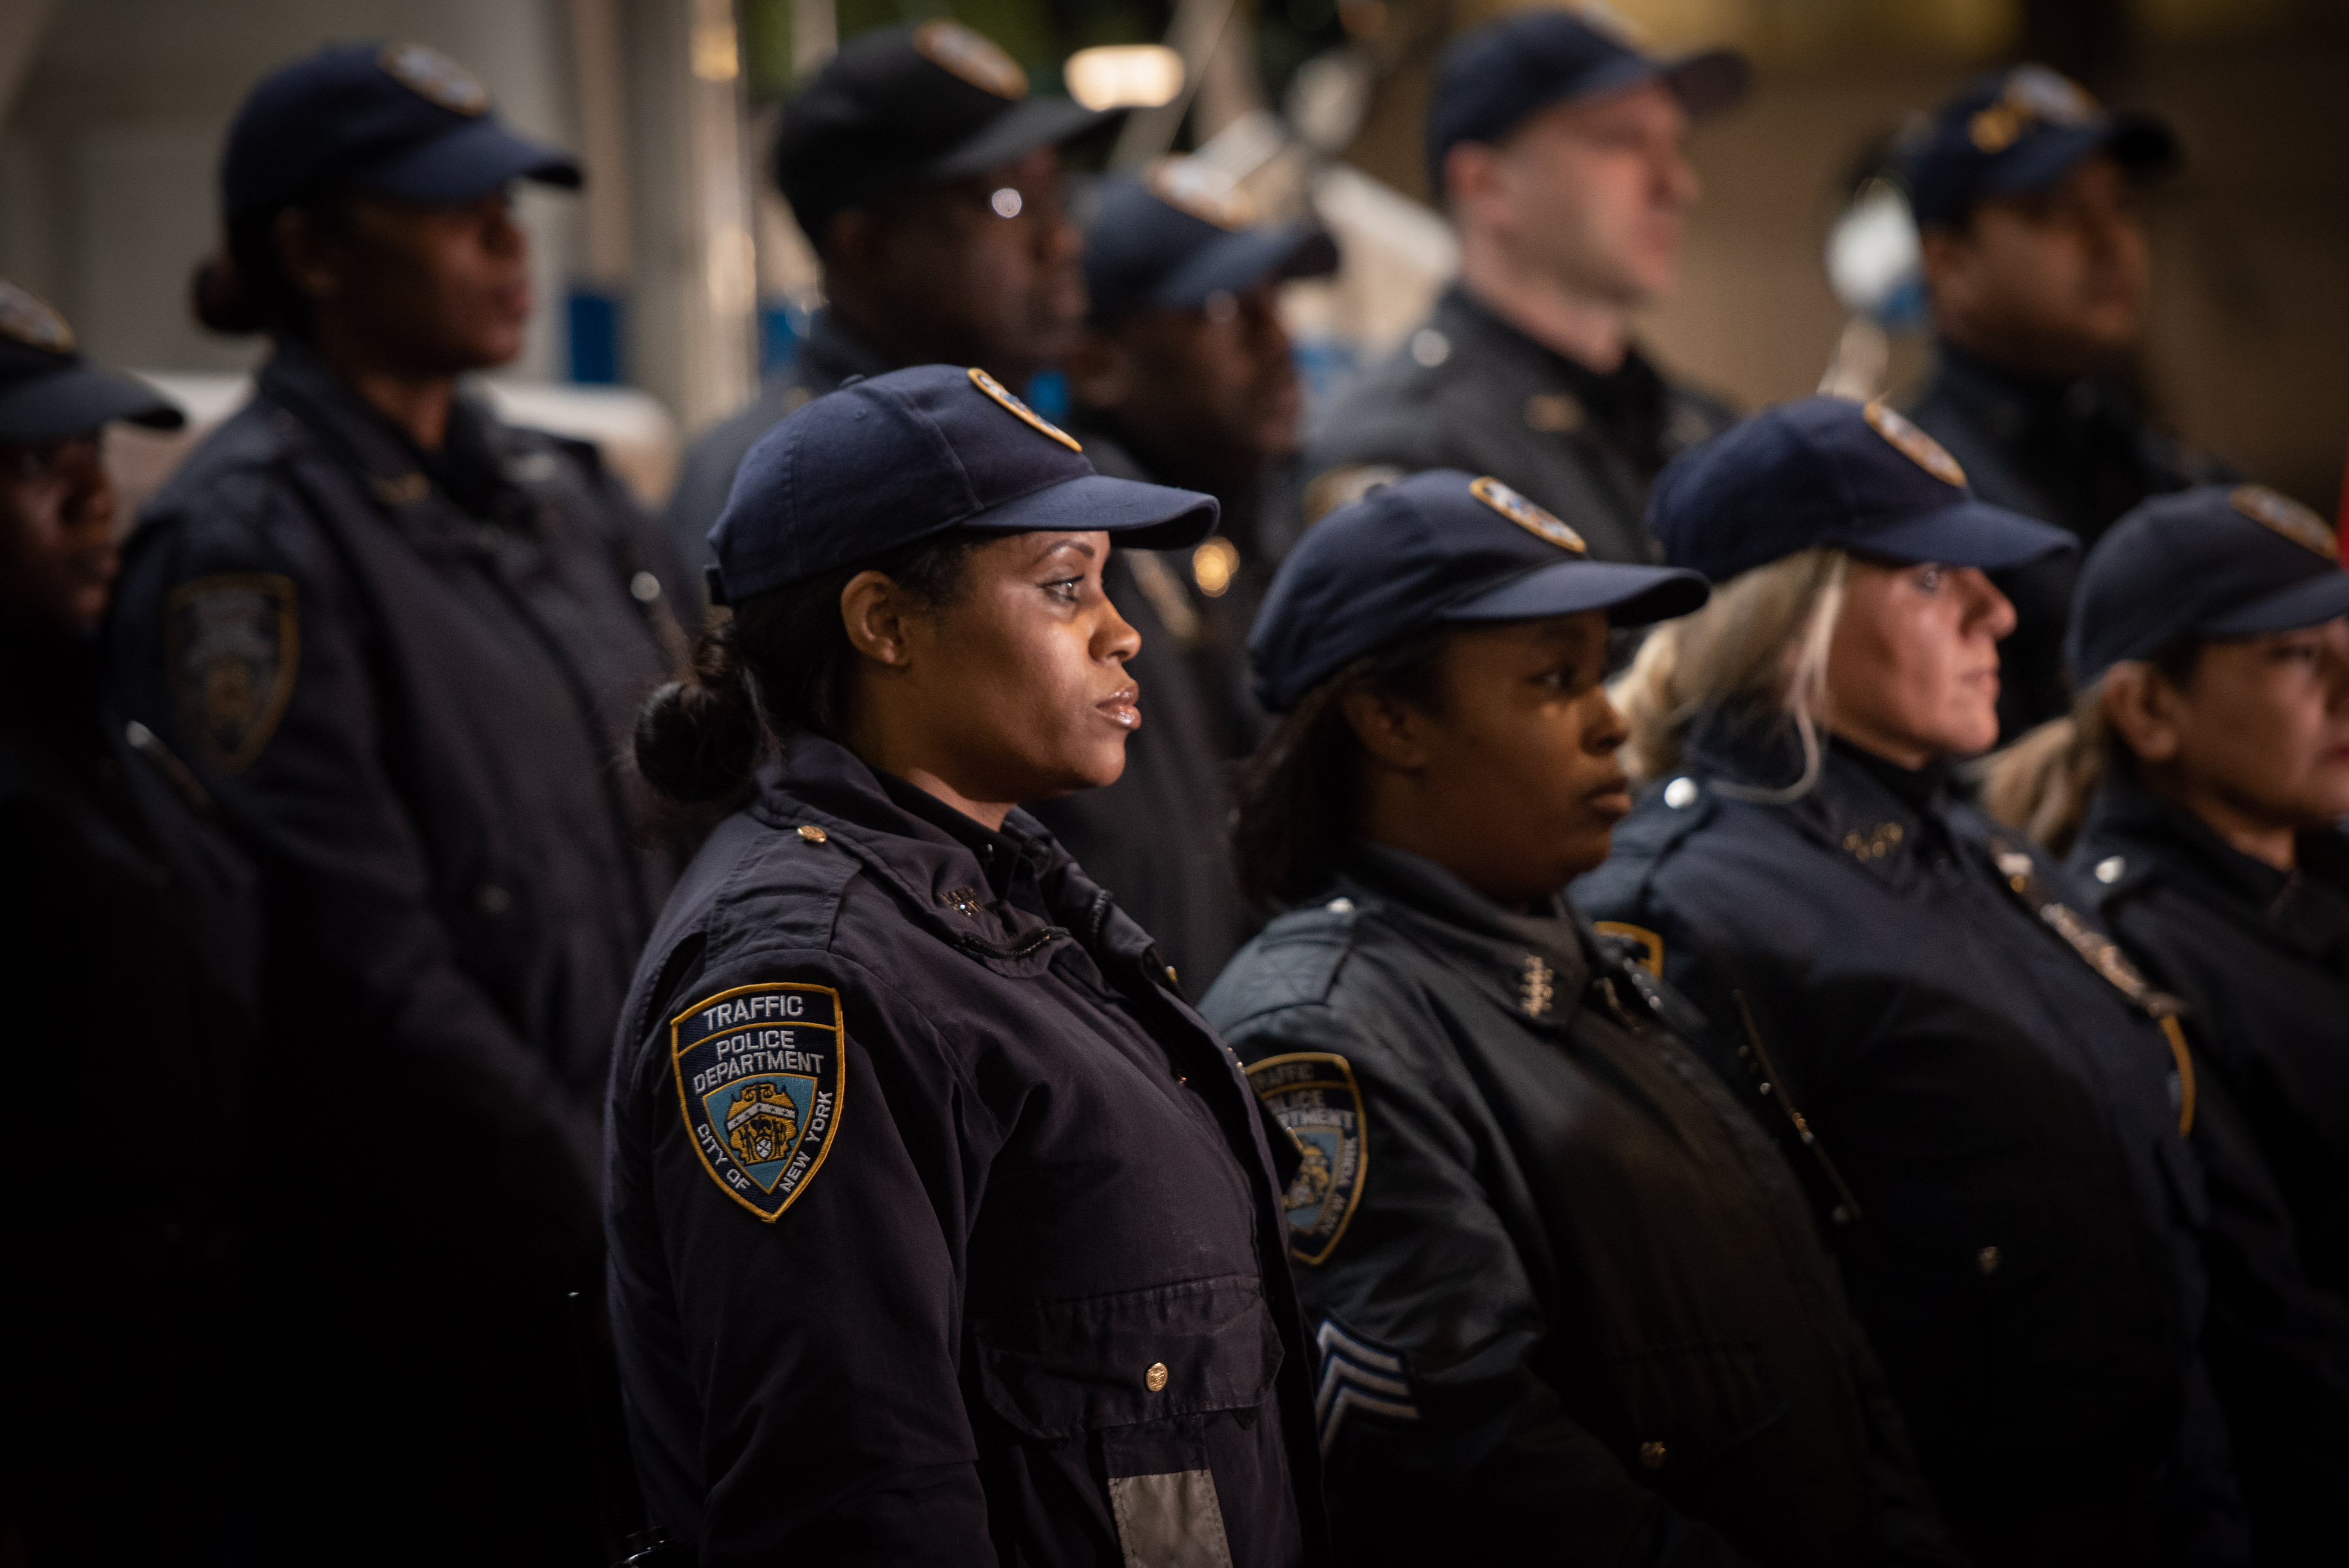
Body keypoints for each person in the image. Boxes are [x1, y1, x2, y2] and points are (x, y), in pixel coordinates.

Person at [107, 43, 691, 1563]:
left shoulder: (569, 505)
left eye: (511, 200)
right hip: (446, 1310)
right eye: (452, 209)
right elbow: (355, 968)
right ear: (309, 249)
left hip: (654, 1259)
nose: (510, 240)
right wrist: (625, 1216)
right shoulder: (248, 549)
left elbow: (717, 825)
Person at [607, 363, 1328, 1564]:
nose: (1123, 627)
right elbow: (857, 1499)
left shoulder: (993, 896)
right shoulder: (806, 974)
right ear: (884, 621)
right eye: (1064, 586)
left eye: (1108, 581)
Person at [1198, 469, 1963, 1565]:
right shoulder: (1322, 1034)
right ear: (1391, 719)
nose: (1612, 722)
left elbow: (1823, 1347)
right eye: (1555, 679)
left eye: (1600, 672)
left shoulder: (1585, 964)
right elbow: (1471, 1470)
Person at [1578, 396, 2260, 1565]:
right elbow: (1757, 1358)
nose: (2001, 611)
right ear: (1790, 621)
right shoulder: (1685, 908)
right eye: (1940, 579)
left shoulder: (1989, 854)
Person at [1982, 484, 2349, 1559]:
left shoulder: (2315, 864)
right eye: (2295, 657)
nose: (2346, 684)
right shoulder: (2136, 947)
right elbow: (2267, 1323)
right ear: (2149, 709)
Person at [0, 283, 256, 1565]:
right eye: (35, 470)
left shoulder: (114, 720)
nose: (94, 501)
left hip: (196, 1405)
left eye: (92, 458)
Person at [1030, 159, 1337, 985]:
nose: (1279, 343)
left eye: (1277, 303)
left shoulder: (1257, 523)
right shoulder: (1069, 557)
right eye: (1226, 309)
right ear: (1097, 363)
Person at [1299, 8, 1745, 560]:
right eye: (1624, 141)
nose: (1677, 184)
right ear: (1486, 184)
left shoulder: (1703, 428)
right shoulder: (1406, 452)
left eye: (1676, 145)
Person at [664, 20, 1107, 570]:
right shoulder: (780, 495)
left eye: (1057, 195)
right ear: (866, 246)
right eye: (1008, 200)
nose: (1062, 239)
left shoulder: (1061, 451)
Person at [1897, 62, 2233, 735]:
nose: (2110, 241)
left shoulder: (2177, 476)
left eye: (2120, 204)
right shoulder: (1909, 500)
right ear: (1948, 262)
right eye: (2057, 211)